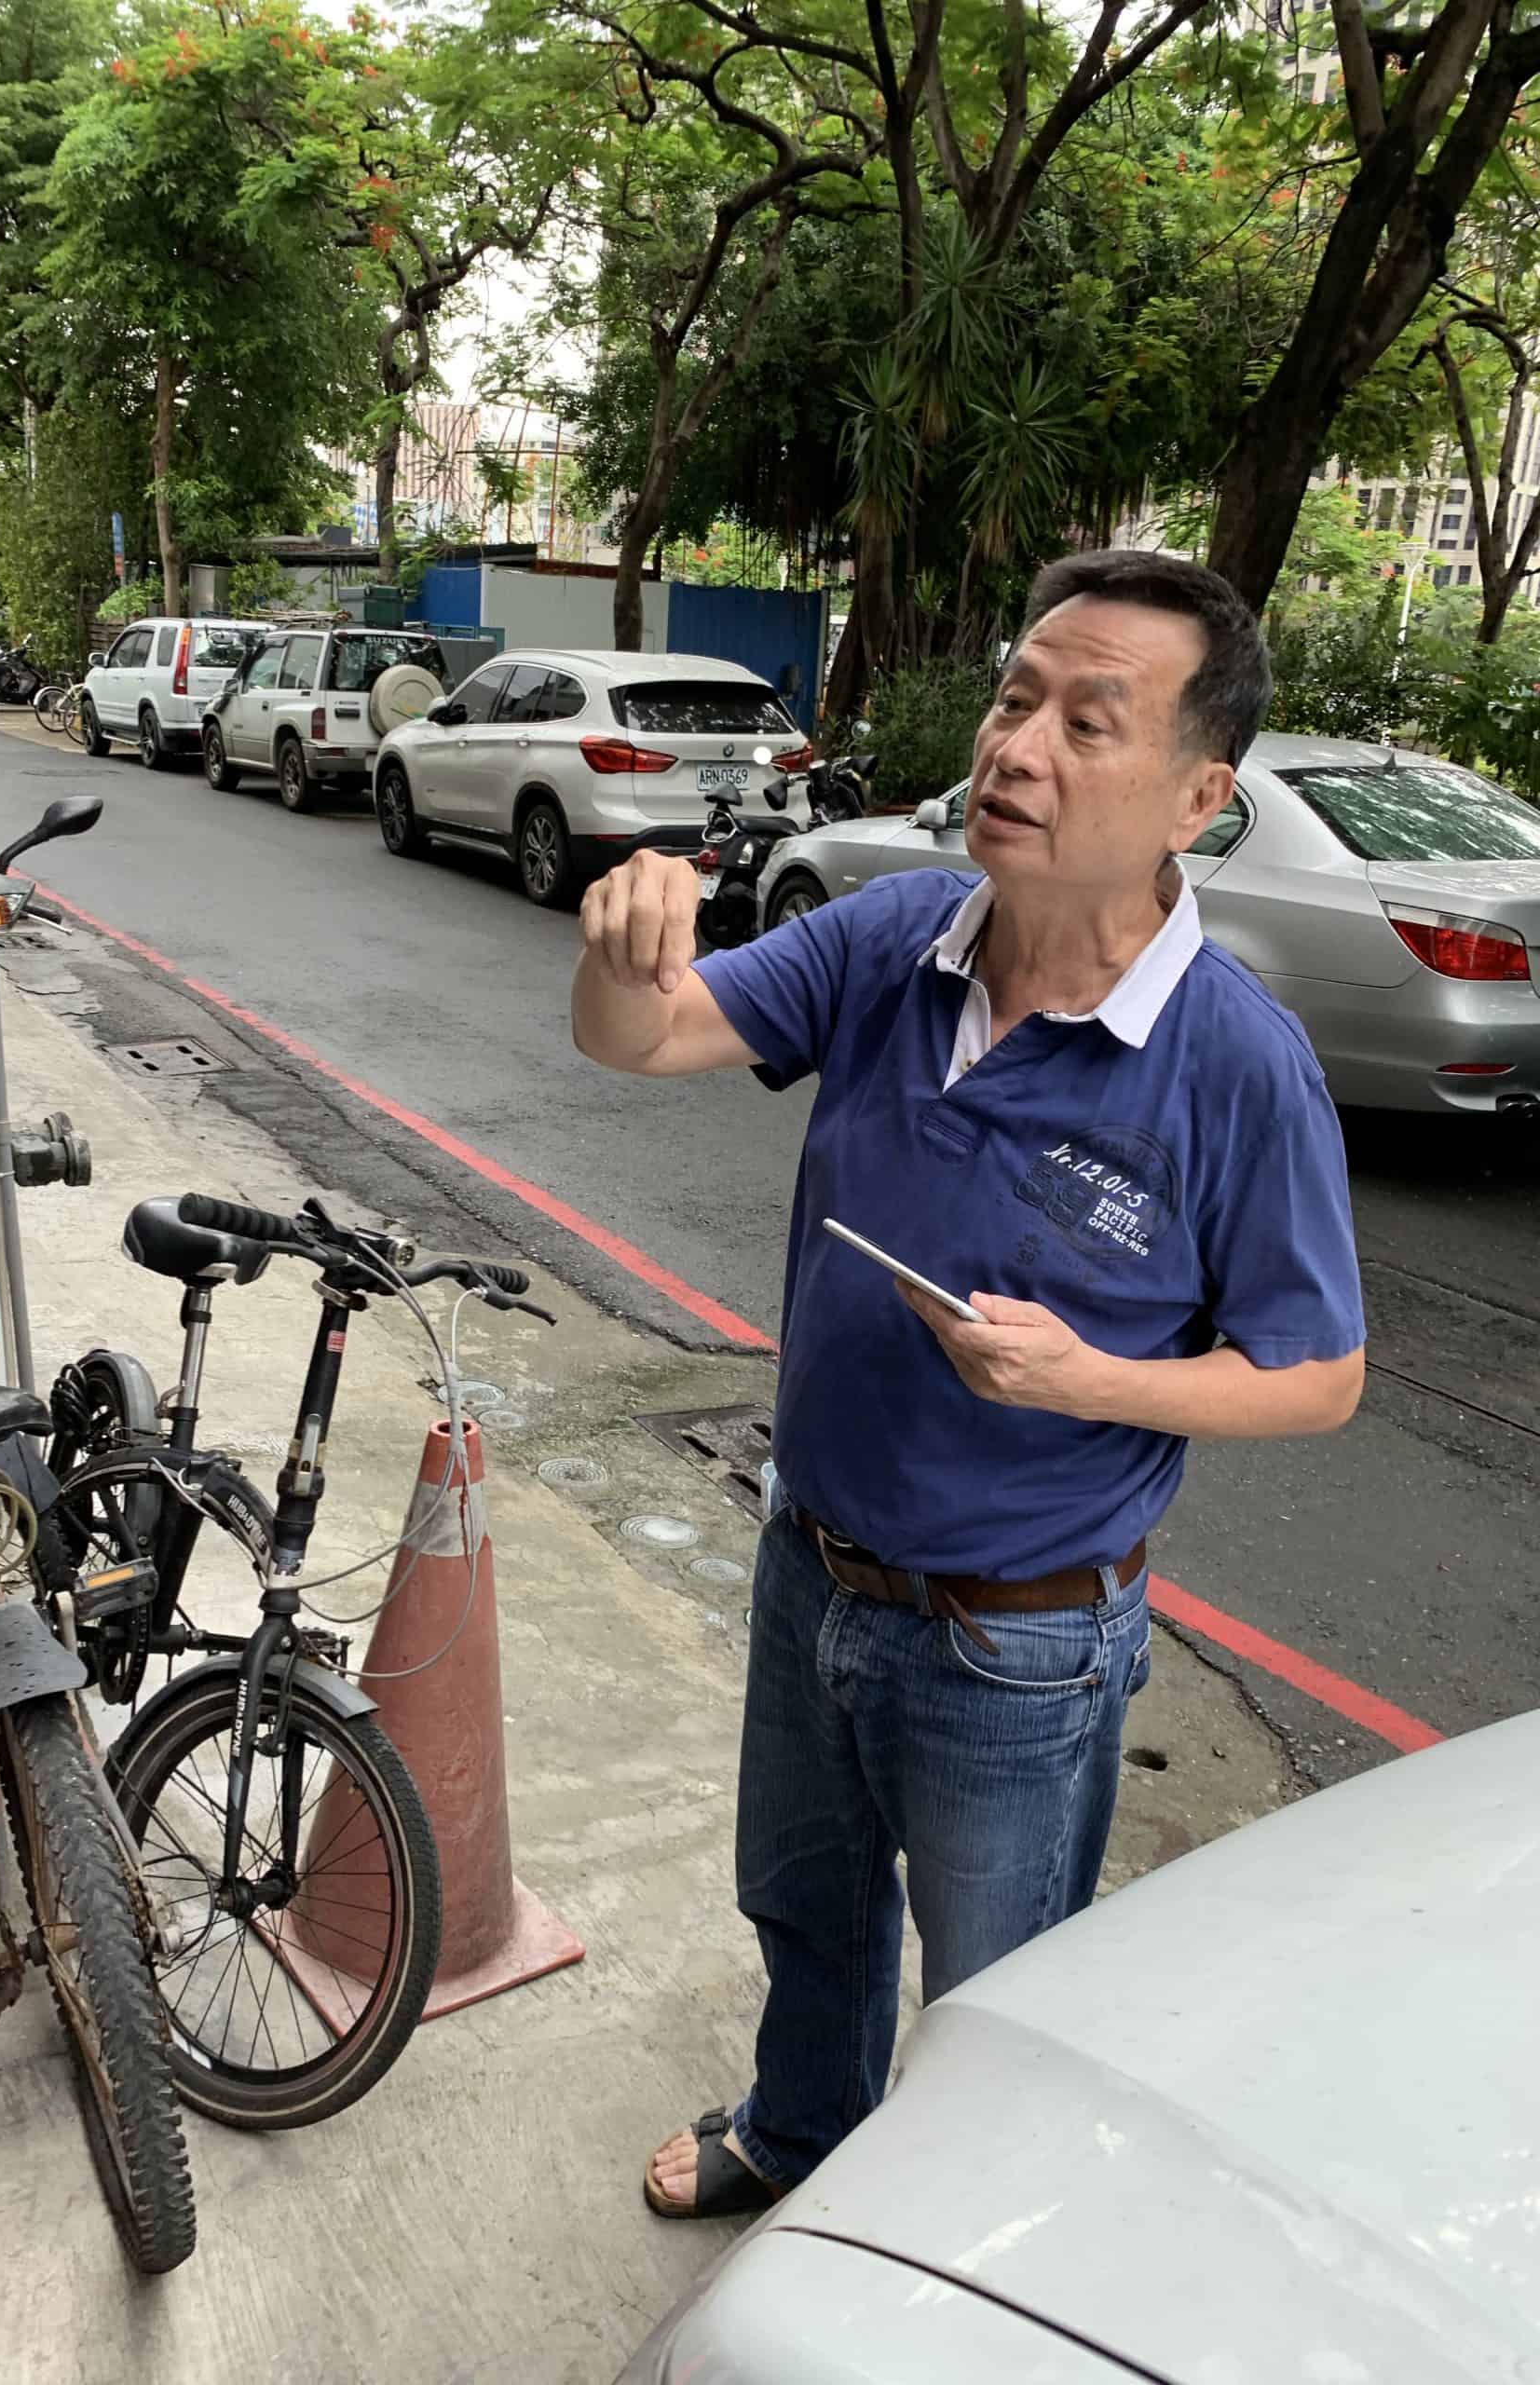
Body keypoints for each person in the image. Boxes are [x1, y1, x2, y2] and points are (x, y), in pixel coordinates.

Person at [571, 550, 1366, 2220]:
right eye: (1016, 699)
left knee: (1000, 1987)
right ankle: (801, 2133)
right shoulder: (890, 941)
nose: (1016, 747)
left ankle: (956, 2239)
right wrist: (623, 947)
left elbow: (1318, 1379)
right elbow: (638, 1040)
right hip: (811, 1562)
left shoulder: (1235, 1061)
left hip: (1018, 1639)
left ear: (1198, 798)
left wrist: (1091, 1379)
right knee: (804, 1905)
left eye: (1089, 722)